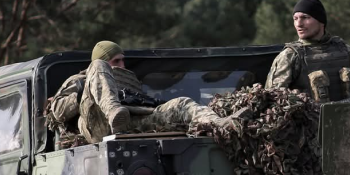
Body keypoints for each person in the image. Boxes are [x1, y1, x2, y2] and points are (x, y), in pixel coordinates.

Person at [47, 41, 233, 143]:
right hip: (98, 124)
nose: (122, 65)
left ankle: (221, 124)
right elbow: (57, 110)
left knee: (181, 103)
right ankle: (113, 111)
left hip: (130, 123)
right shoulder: (80, 80)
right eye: (116, 61)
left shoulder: (129, 80)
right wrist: (80, 95)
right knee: (99, 68)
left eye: (122, 60)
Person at [265, 0, 350, 103]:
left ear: (321, 21)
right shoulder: (290, 56)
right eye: (295, 19)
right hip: (310, 123)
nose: (299, 24)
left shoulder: (347, 52)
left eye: (305, 17)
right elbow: (273, 102)